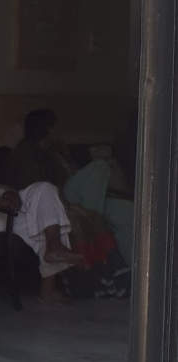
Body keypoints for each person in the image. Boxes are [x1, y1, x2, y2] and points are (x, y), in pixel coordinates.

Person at [9, 109, 133, 297]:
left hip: (83, 197)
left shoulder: (55, 149)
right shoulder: (26, 151)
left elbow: (73, 173)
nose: (57, 132)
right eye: (54, 128)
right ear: (46, 129)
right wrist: (65, 204)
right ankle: (92, 217)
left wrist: (64, 154)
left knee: (127, 210)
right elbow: (36, 189)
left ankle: (133, 272)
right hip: (60, 198)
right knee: (100, 166)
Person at [0, 163, 83, 304]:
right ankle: (48, 289)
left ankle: (54, 246)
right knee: (40, 219)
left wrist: (10, 193)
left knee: (45, 189)